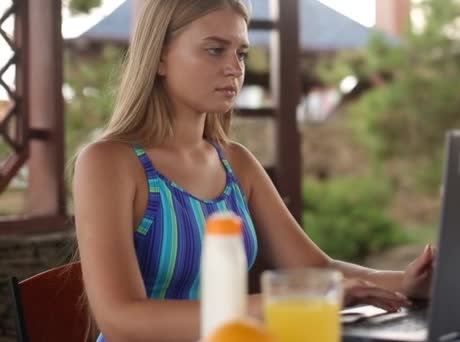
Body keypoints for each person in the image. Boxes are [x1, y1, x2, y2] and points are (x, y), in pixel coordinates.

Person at [72, 1, 435, 341]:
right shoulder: (108, 163)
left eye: (241, 53)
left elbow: (312, 268)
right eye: (215, 49)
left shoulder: (236, 163)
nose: (235, 67)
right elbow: (120, 319)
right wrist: (286, 303)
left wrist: (406, 282)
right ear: (160, 57)